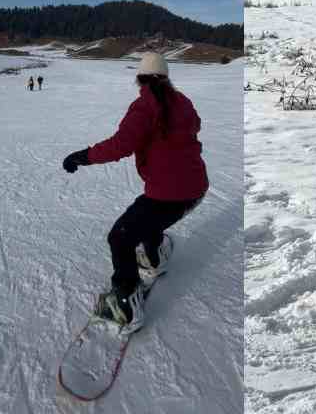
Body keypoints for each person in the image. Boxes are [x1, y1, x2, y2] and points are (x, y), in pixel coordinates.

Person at [61, 52, 208, 333]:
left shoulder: (144, 107)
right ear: (166, 77)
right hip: (196, 189)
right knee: (148, 215)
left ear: (139, 78)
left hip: (169, 195)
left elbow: (121, 145)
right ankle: (153, 256)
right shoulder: (182, 101)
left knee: (120, 237)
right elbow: (195, 125)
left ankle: (125, 305)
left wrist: (82, 157)